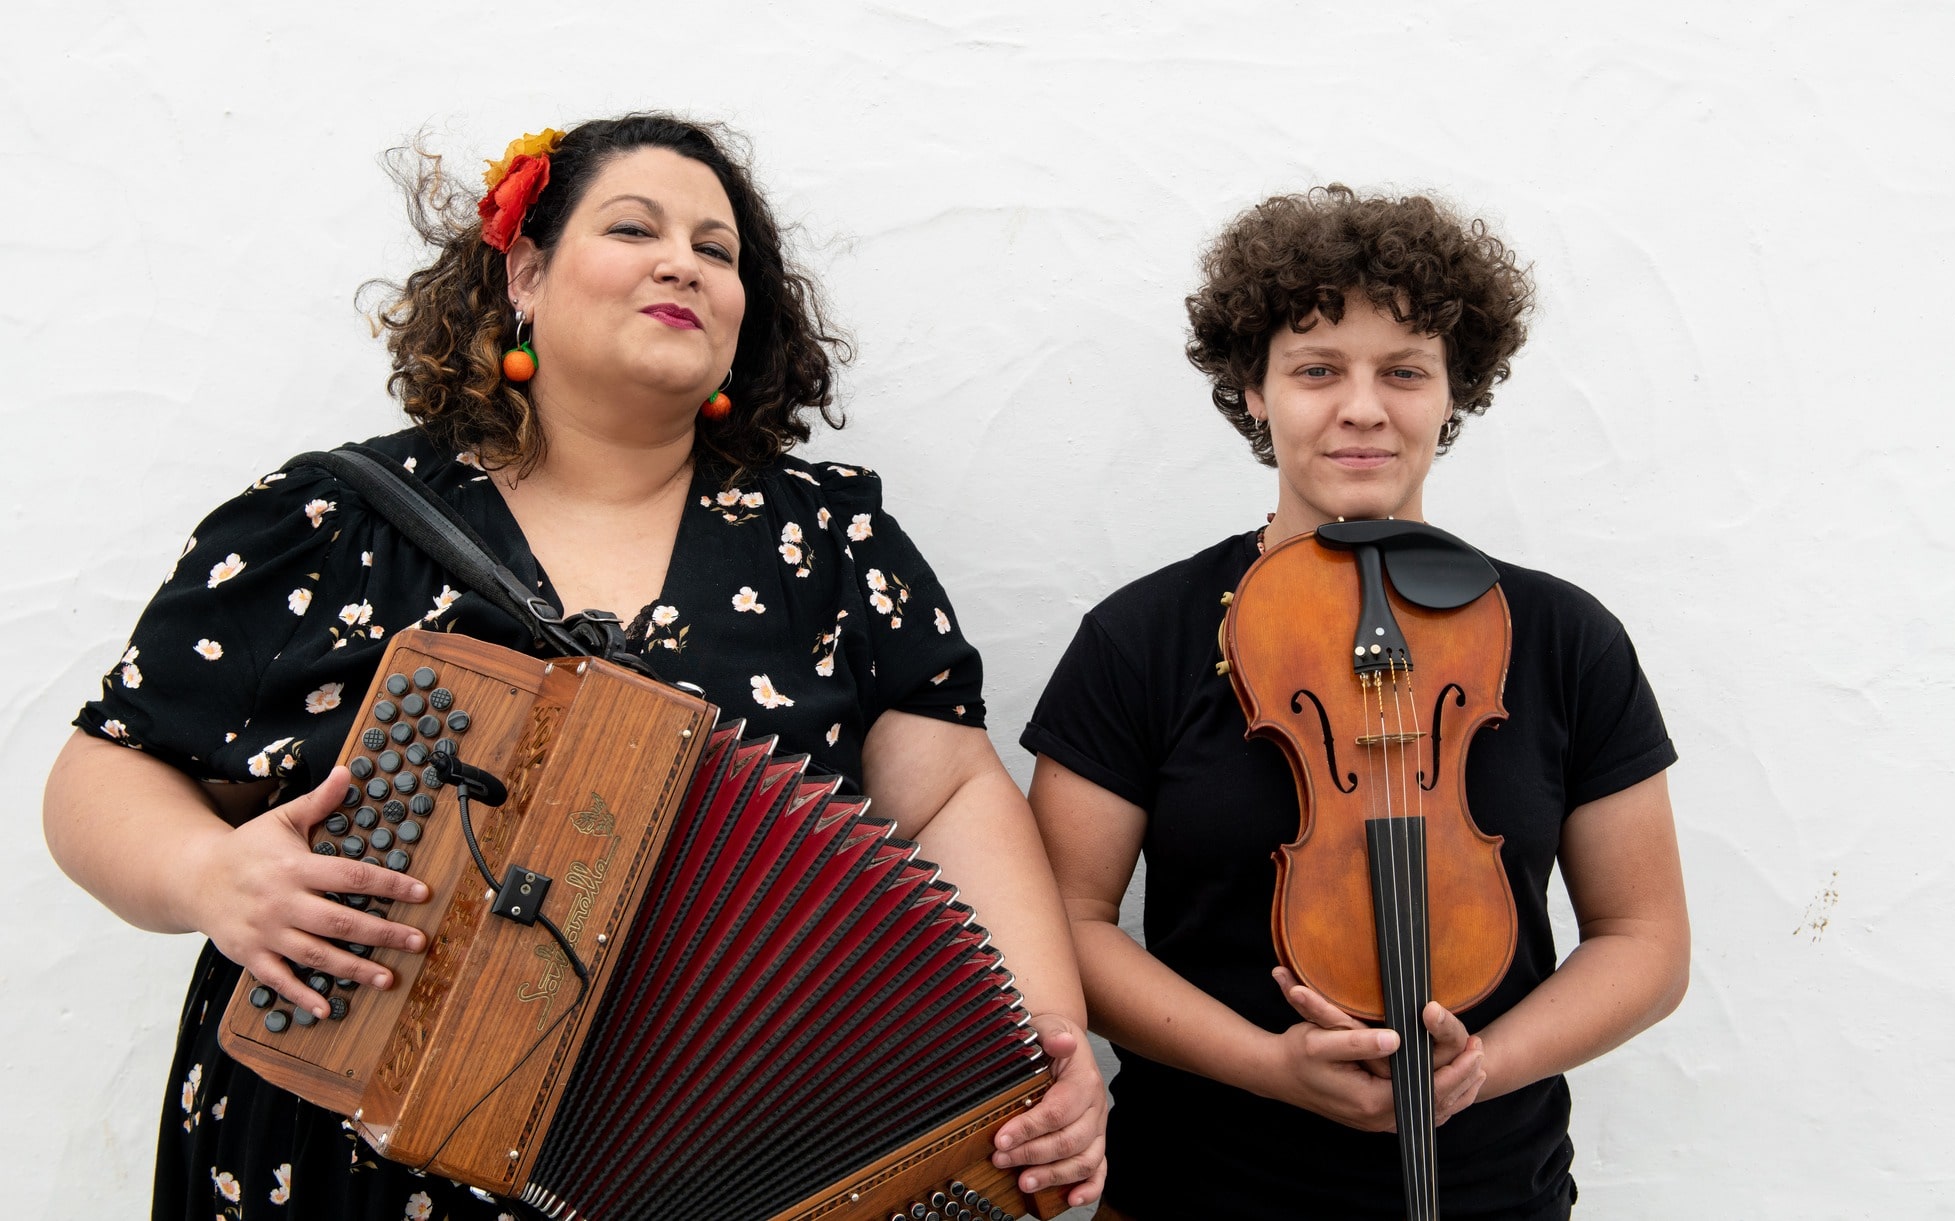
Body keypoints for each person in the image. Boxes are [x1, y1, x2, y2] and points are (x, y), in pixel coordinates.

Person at [44, 113, 1106, 1219]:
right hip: (335, 1161)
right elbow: (105, 772)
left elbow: (946, 795)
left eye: (717, 249)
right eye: (635, 226)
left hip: (726, 1179)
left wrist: (1037, 1050)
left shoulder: (830, 546)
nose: (680, 263)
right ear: (526, 273)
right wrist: (207, 877)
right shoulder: (330, 525)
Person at [1022, 187, 1688, 1220]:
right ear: (1253, 390)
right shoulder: (1142, 636)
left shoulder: (1560, 636)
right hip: (1194, 1189)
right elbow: (1063, 922)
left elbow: (1643, 938)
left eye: (1404, 371)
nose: (1363, 407)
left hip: (1488, 1192)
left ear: (1451, 392)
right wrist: (1266, 1064)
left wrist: (1483, 1065)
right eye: (1316, 369)